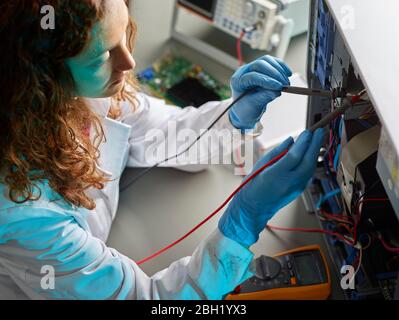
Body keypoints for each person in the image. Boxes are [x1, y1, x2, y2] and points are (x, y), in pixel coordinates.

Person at [0, 0, 324, 299]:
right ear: (37, 78)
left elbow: (153, 131)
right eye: (102, 56)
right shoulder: (24, 212)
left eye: (124, 31)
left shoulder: (73, 86)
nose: (128, 61)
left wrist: (234, 118)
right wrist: (244, 221)